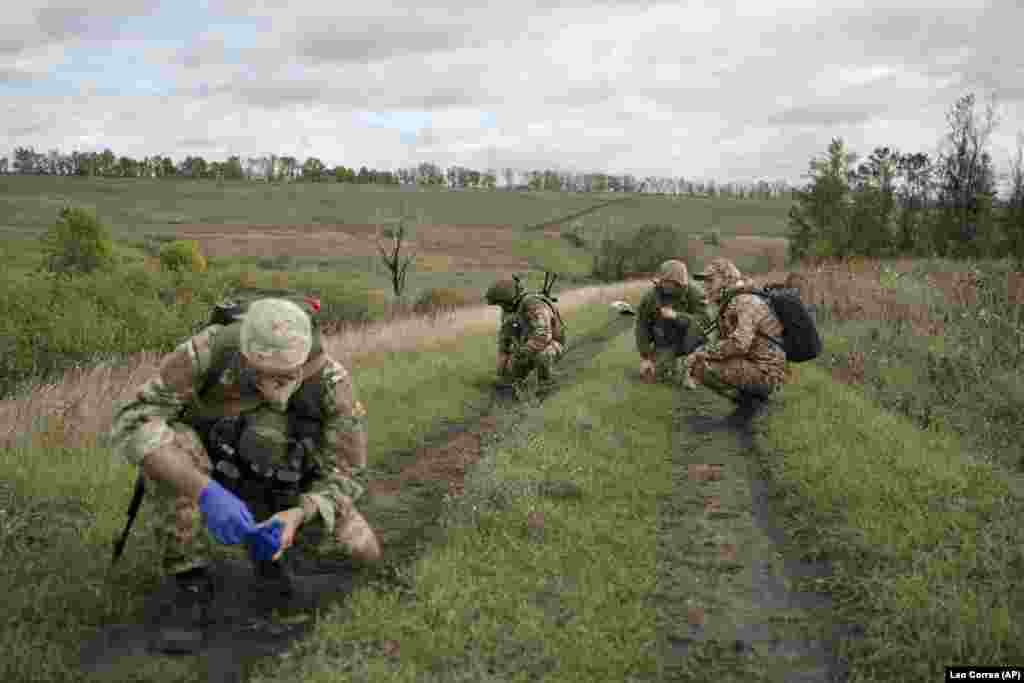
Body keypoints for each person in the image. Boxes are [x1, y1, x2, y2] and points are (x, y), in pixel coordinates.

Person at [108, 297, 380, 652]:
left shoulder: (331, 382)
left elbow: (347, 474)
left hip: (291, 487)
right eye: (264, 374)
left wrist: (299, 514)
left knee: (361, 552)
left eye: (287, 376)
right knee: (169, 445)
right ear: (245, 354)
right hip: (215, 470)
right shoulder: (211, 350)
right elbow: (134, 421)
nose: (277, 385)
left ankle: (279, 556)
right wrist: (205, 491)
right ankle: (191, 581)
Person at [684, 258, 787, 413]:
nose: (706, 287)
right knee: (700, 360)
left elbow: (739, 344)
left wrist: (702, 352)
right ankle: (750, 402)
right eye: (704, 282)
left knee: (701, 365)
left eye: (710, 281)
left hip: (767, 373)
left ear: (727, 280)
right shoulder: (731, 301)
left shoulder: (744, 301)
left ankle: (751, 404)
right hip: (757, 365)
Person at [635, 259, 711, 384]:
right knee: (653, 376)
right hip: (666, 342)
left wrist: (677, 316)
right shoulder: (651, 297)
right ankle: (670, 366)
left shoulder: (695, 294)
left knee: (701, 375)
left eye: (669, 282)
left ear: (679, 282)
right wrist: (645, 357)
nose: (664, 285)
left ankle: (694, 366)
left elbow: (704, 321)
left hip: (692, 342)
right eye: (663, 281)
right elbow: (642, 325)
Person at [485, 278, 566, 385]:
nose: (501, 307)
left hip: (551, 344)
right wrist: (502, 370)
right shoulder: (509, 311)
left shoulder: (533, 305)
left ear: (509, 299)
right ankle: (516, 382)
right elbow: (505, 341)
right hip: (526, 347)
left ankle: (547, 383)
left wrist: (522, 353)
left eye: (502, 303)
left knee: (542, 356)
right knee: (509, 373)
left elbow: (543, 336)